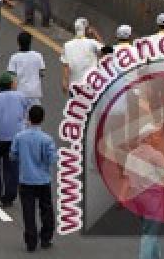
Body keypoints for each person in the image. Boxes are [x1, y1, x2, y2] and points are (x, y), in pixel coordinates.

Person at [11, 105, 57, 252]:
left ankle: (31, 241)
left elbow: (13, 155)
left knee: (28, 211)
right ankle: (46, 237)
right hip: (43, 179)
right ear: (42, 119)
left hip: (26, 179)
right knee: (46, 209)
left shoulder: (19, 137)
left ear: (28, 118)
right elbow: (52, 159)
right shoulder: (47, 139)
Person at [61, 17, 103, 92]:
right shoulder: (92, 43)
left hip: (74, 86)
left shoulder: (67, 45)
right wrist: (95, 34)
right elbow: (105, 51)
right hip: (90, 84)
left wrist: (65, 82)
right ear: (86, 29)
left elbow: (66, 66)